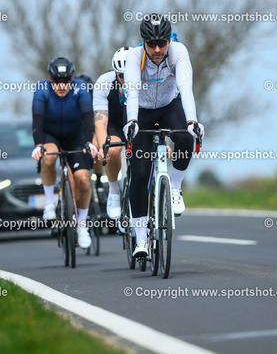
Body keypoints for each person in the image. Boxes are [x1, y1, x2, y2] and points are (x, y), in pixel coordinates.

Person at [123, 14, 204, 257]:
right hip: (142, 111)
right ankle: (141, 239)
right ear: (143, 42)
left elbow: (186, 88)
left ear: (169, 40)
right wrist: (132, 121)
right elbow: (132, 93)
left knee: (186, 137)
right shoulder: (134, 56)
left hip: (169, 106)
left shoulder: (178, 52)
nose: (157, 49)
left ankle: (176, 188)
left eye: (162, 43)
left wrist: (192, 121)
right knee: (139, 173)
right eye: (151, 44)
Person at [31, 57, 98, 249]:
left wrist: (89, 142)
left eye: (66, 81)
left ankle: (82, 227)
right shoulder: (41, 90)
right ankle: (49, 204)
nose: (61, 86)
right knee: (49, 157)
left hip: (75, 136)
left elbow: (88, 118)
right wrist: (38, 145)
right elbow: (37, 121)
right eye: (57, 81)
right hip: (51, 135)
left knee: (84, 181)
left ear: (72, 78)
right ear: (50, 79)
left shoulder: (81, 89)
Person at [93, 47, 130, 219]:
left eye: (130, 75)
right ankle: (114, 191)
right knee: (112, 150)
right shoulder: (104, 82)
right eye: (122, 76)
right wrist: (103, 148)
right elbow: (100, 123)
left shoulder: (147, 80)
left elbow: (159, 115)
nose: (126, 80)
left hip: (140, 122)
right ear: (115, 73)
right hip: (115, 123)